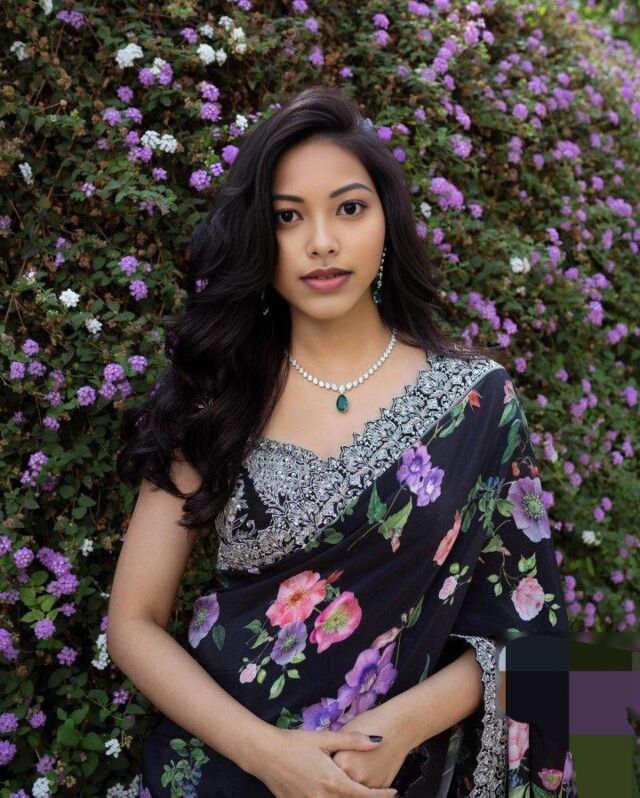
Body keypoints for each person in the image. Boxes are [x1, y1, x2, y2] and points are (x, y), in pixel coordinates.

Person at [107, 85, 578, 797]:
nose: (321, 241)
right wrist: (270, 756)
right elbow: (132, 623)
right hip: (217, 772)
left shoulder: (477, 402)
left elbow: (534, 628)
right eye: (287, 217)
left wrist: (398, 730)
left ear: (387, 219)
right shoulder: (217, 394)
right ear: (259, 238)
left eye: (349, 208)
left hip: (388, 775)